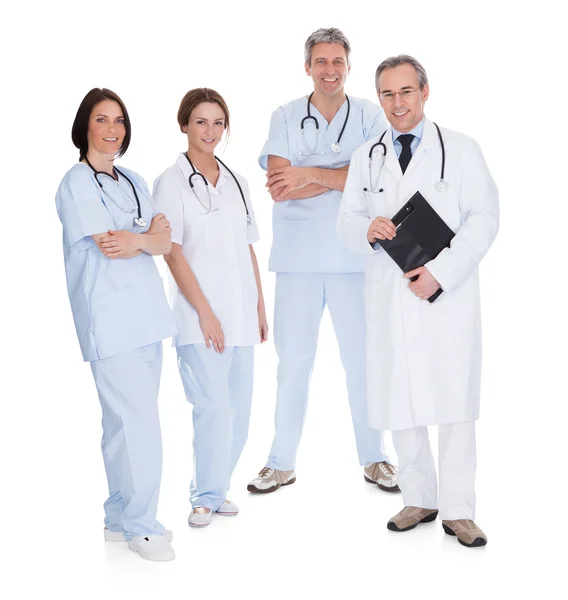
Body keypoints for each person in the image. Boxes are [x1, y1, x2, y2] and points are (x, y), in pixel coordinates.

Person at [337, 55, 499, 547]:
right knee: (399, 398)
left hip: (446, 298)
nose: (397, 103)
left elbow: (485, 219)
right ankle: (419, 497)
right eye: (387, 94)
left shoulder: (462, 150)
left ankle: (459, 510)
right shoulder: (368, 154)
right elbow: (346, 221)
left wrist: (441, 273)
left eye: (406, 92)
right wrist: (366, 229)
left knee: (453, 403)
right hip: (391, 298)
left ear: (424, 92)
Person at [247, 27, 398, 495]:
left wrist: (306, 174)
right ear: (307, 66)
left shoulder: (373, 117)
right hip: (297, 262)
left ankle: (375, 458)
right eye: (321, 61)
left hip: (356, 258)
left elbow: (374, 180)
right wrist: (342, 177)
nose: (329, 70)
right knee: (293, 362)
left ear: (348, 67)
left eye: (337, 62)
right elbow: (277, 183)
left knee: (364, 362)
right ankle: (281, 461)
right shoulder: (285, 116)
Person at [55, 88, 177, 561]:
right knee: (140, 423)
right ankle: (143, 527)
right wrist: (146, 237)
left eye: (120, 121)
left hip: (147, 315)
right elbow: (112, 243)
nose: (112, 129)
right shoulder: (76, 182)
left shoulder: (132, 179)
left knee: (121, 425)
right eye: (102, 120)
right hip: (109, 317)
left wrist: (142, 238)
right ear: (85, 126)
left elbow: (161, 243)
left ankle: (119, 516)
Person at [154, 88, 268, 528]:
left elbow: (248, 246)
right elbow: (173, 252)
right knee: (212, 408)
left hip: (240, 314)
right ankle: (203, 496)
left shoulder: (236, 179)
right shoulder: (170, 181)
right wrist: (205, 312)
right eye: (201, 122)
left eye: (218, 122)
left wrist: (259, 305)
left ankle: (218, 489)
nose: (210, 131)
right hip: (199, 318)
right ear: (184, 125)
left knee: (239, 410)